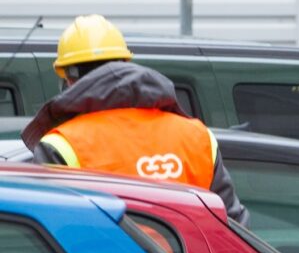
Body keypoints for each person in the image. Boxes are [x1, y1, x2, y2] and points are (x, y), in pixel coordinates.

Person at [21, 14, 249, 224]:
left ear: (68, 78)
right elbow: (232, 225)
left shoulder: (61, 145)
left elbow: (54, 231)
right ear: (125, 64)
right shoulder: (198, 137)